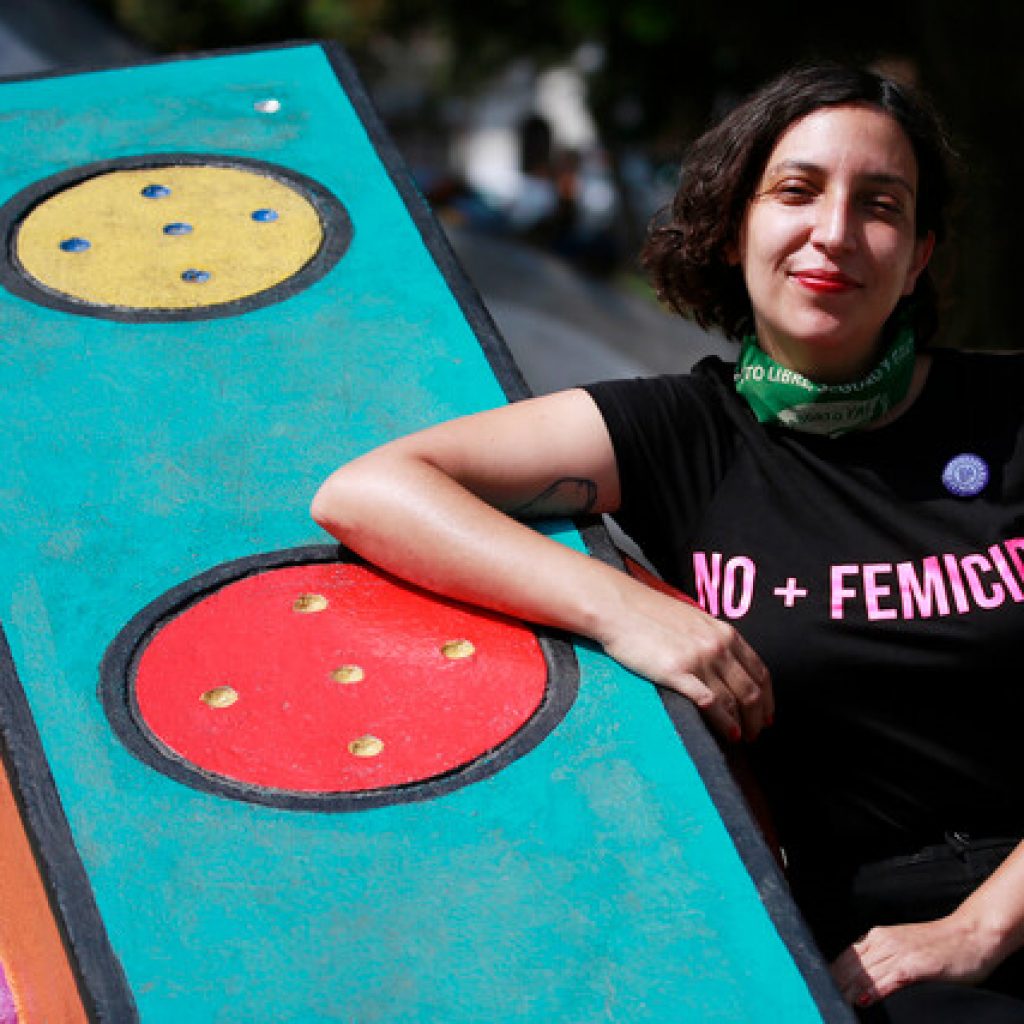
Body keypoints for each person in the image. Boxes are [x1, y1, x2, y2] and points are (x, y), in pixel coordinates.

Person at [312, 64, 1024, 1021]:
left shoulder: (1009, 412)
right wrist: (621, 609)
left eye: (881, 205)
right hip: (854, 951)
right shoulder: (681, 434)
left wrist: (977, 929)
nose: (835, 231)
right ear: (735, 230)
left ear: (920, 253)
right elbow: (369, 491)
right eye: (797, 191)